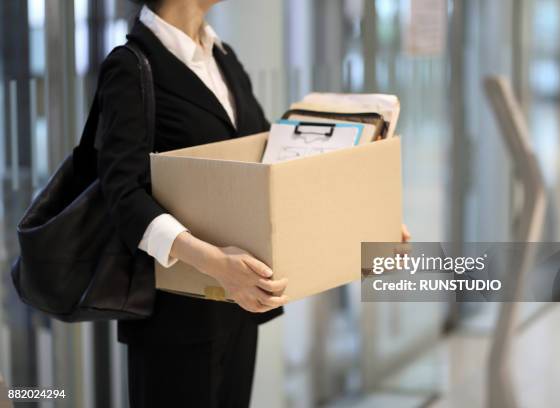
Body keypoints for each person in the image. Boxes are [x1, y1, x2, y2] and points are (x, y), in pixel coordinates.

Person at [98, 0, 410, 406]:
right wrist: (213, 263)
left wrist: (361, 235)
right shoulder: (131, 66)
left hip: (240, 302)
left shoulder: (222, 59)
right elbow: (122, 195)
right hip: (174, 315)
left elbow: (275, 169)